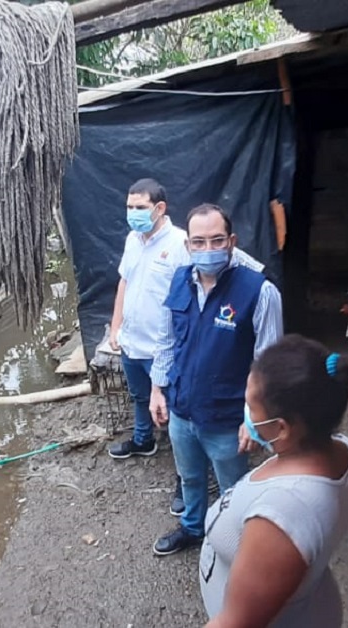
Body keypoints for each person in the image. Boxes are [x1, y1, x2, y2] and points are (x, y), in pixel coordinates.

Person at [200, 334, 348, 628]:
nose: (247, 417)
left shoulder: (283, 514)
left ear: (282, 428)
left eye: (251, 408)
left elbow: (234, 623)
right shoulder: (344, 449)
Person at [148, 203, 283, 555]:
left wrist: (252, 417)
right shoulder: (179, 279)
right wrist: (157, 389)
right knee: (190, 479)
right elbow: (166, 341)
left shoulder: (259, 291)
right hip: (182, 410)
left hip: (225, 419)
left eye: (217, 240)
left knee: (232, 489)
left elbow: (267, 364)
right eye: (199, 242)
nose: (208, 250)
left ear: (232, 241)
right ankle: (192, 529)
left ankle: (233, 546)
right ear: (188, 245)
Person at [107, 178, 189, 515]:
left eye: (139, 207)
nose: (133, 213)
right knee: (140, 398)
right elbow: (124, 280)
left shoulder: (181, 242)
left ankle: (187, 478)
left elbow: (188, 299)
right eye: (129, 207)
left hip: (164, 348)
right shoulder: (132, 239)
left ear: (159, 208)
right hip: (132, 342)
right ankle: (143, 441)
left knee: (179, 415)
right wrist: (116, 327)